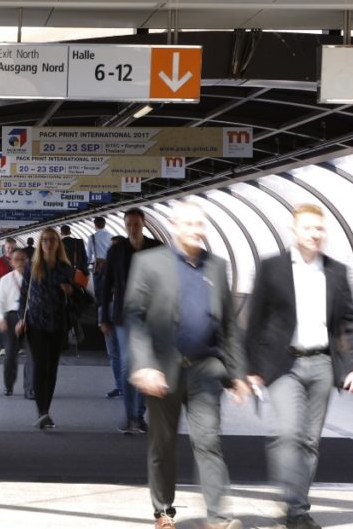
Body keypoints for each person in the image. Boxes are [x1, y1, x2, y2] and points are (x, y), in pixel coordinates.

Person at [125, 201, 248, 529]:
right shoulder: (148, 263)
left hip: (206, 369)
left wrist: (237, 375)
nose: (195, 230)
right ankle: (163, 510)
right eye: (189, 223)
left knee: (209, 440)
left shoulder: (217, 267)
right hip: (162, 370)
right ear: (174, 225)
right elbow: (134, 317)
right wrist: (144, 364)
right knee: (162, 444)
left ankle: (219, 516)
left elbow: (229, 327)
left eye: (200, 224)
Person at [245, 203, 353, 529]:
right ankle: (293, 498)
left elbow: (350, 322)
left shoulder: (337, 272)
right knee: (289, 433)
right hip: (284, 365)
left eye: (320, 229)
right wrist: (250, 367)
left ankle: (296, 510)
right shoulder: (272, 268)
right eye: (309, 228)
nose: (315, 234)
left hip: (322, 364)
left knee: (310, 441)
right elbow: (255, 319)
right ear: (294, 231)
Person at [100, 207, 163, 434]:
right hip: (124, 316)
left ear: (143, 224)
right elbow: (106, 284)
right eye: (129, 225)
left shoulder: (157, 248)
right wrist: (103, 317)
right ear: (125, 226)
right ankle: (129, 415)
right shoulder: (117, 251)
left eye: (136, 224)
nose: (133, 228)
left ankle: (139, 414)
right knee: (127, 365)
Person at [16, 227, 74, 429]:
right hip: (36, 323)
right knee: (41, 366)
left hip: (58, 324)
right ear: (41, 244)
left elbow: (76, 297)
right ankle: (42, 411)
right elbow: (24, 295)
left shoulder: (66, 268)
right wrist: (19, 318)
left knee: (52, 369)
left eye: (53, 240)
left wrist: (70, 290)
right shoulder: (32, 267)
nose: (49, 243)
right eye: (45, 240)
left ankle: (46, 409)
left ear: (58, 243)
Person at [0, 248, 33, 398]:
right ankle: (8, 385)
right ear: (11, 262)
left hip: (30, 318)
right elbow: (0, 302)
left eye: (23, 259)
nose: (21, 262)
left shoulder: (33, 278)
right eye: (17, 259)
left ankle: (30, 388)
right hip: (11, 318)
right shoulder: (5, 280)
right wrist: (0, 319)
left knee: (32, 355)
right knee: (10, 354)